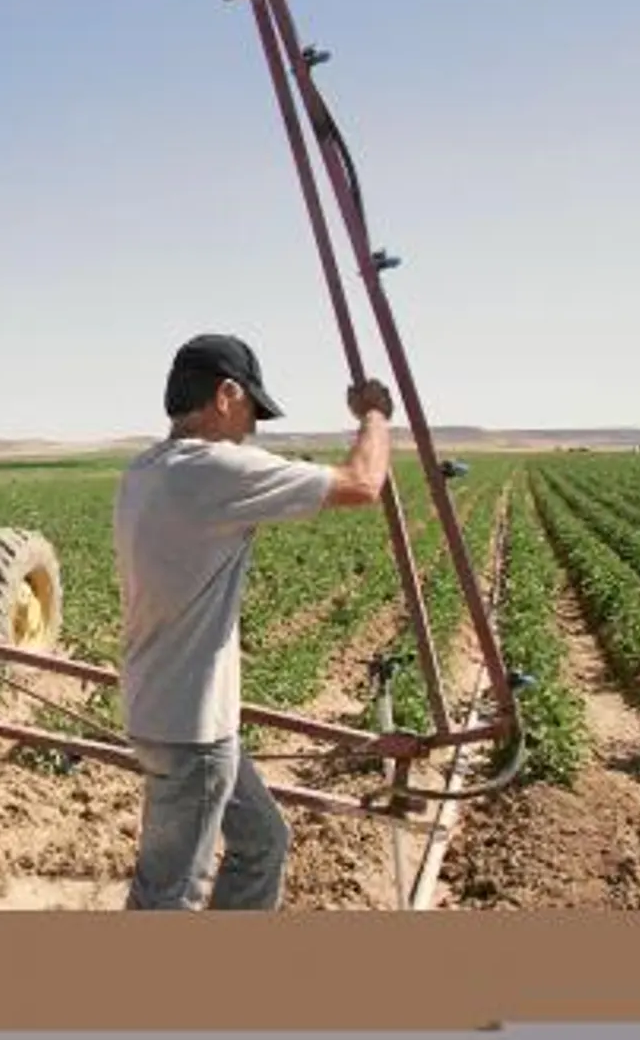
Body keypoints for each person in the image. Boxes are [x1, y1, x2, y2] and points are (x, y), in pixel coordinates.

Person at [111, 332, 393, 910]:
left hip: (160, 711)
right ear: (226, 395)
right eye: (252, 413)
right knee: (167, 897)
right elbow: (363, 484)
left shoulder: (145, 469)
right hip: (193, 732)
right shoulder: (214, 469)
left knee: (263, 842)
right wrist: (374, 414)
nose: (252, 430)